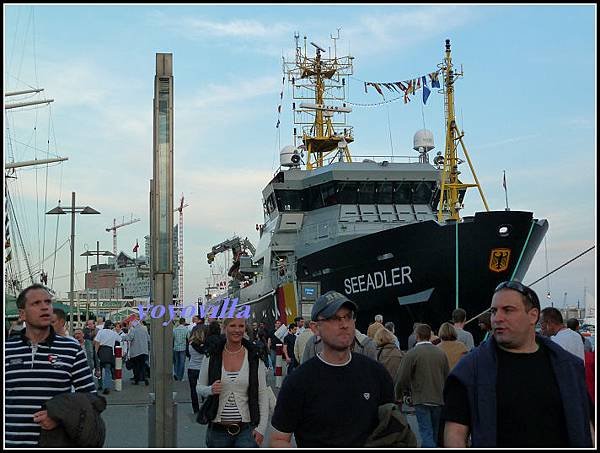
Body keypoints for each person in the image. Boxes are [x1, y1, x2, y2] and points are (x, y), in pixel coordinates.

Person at [443, 280, 593, 447]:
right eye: (494, 311)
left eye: (508, 310)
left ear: (533, 316)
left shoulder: (568, 366)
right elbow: (454, 432)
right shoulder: (470, 369)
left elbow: (587, 423)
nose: (497, 318)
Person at [270, 290, 395, 447]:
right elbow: (279, 439)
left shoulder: (376, 374)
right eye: (335, 319)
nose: (344, 325)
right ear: (315, 328)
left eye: (348, 317)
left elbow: (393, 430)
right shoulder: (298, 382)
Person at [5, 284, 97, 447]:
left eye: (48, 302)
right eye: (36, 303)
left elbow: (92, 399)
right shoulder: (7, 350)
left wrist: (59, 415)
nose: (45, 307)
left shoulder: (71, 349)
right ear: (22, 314)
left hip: (55, 443)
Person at [196, 317, 269, 447]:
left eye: (241, 326)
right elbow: (199, 387)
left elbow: (262, 394)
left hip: (246, 430)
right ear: (224, 329)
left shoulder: (254, 357)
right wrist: (210, 390)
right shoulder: (212, 356)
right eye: (232, 326)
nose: (237, 330)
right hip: (218, 430)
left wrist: (261, 428)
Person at [395, 324, 449, 447]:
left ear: (417, 336)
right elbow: (447, 376)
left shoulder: (412, 354)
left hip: (421, 398)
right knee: (434, 433)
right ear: (430, 335)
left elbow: (402, 377)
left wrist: (397, 395)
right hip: (439, 398)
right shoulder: (441, 353)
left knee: (426, 432)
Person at [94, 320, 121, 395]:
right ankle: (107, 387)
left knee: (99, 369)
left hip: (101, 351)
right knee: (107, 370)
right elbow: (120, 339)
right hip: (109, 353)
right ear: (111, 326)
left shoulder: (100, 332)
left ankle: (100, 385)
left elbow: (97, 342)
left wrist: (95, 353)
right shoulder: (114, 333)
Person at [124, 313, 150, 385]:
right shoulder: (144, 329)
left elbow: (130, 338)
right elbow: (148, 339)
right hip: (144, 351)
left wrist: (123, 338)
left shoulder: (133, 329)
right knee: (142, 365)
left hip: (136, 351)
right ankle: (145, 378)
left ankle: (136, 380)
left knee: (136, 366)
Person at [188, 326, 207, 414]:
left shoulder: (190, 344)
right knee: (203, 388)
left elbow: (188, 355)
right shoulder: (205, 346)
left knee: (193, 389)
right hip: (202, 368)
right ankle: (204, 406)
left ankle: (195, 409)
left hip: (192, 368)